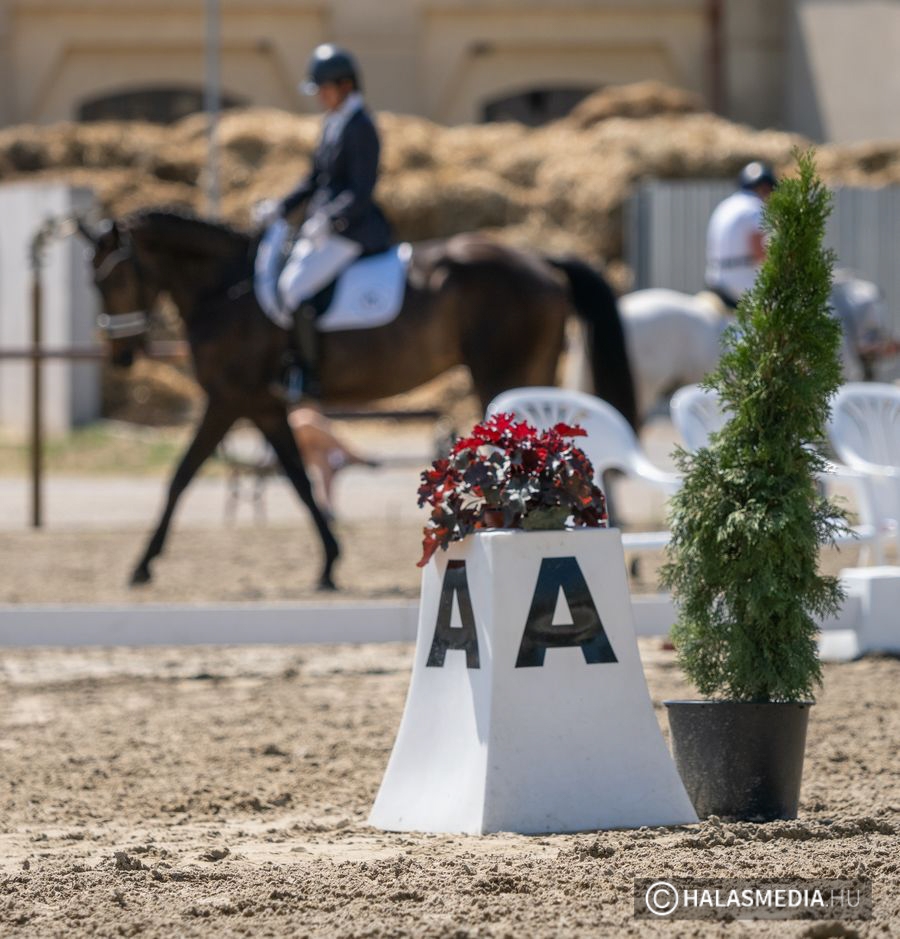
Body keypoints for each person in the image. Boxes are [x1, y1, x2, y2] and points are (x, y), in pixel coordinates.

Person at [255, 44, 392, 400]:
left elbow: (361, 190)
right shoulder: (333, 122)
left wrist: (331, 219)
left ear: (345, 86)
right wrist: (281, 207)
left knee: (294, 288)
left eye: (324, 89)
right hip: (323, 226)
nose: (319, 97)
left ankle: (307, 374)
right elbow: (315, 179)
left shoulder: (361, 127)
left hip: (353, 228)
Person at [705, 161, 777, 309]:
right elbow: (760, 255)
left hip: (714, 279)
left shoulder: (726, 204)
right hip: (739, 282)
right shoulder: (755, 208)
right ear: (764, 188)